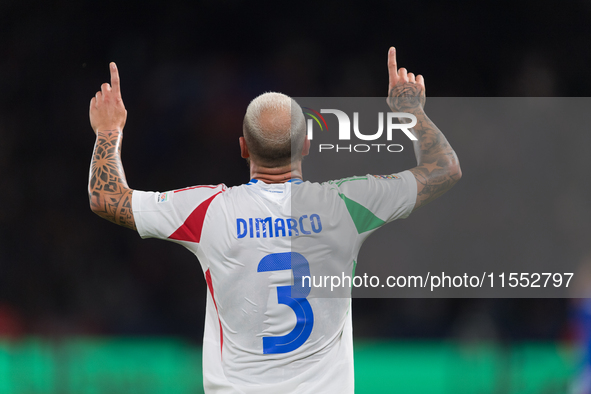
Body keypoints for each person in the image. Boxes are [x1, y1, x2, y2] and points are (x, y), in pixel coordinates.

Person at [88, 47, 461, 393]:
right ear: (306, 147)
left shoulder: (209, 211)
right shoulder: (347, 205)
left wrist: (109, 130)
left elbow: (107, 197)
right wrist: (412, 111)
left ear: (243, 147)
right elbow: (444, 169)